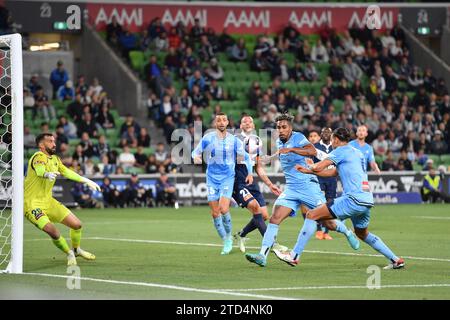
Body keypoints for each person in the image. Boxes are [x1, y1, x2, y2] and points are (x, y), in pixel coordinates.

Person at [285, 128, 405, 269]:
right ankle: (395, 260)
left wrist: (309, 166)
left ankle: (294, 255)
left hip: (352, 199)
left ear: (336, 139)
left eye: (332, 139)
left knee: (311, 215)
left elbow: (319, 167)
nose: (331, 142)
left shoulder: (339, 151)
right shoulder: (357, 152)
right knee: (362, 233)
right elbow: (334, 172)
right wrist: (308, 171)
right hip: (366, 199)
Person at [245, 113, 351, 267]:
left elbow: (312, 151)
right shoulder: (278, 142)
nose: (280, 130)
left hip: (308, 186)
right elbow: (281, 155)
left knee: (328, 223)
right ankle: (262, 256)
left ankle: (347, 232)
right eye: (278, 127)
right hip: (291, 189)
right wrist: (267, 159)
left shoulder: (298, 137)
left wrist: (292, 150)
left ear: (290, 128)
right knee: (275, 218)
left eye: (284, 127)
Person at [24, 133, 100, 266]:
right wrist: (46, 174)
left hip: (49, 201)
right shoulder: (38, 156)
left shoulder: (55, 159)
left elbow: (66, 172)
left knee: (77, 225)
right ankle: (69, 253)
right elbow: (40, 170)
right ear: (41, 145)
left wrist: (86, 180)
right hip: (32, 204)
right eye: (50, 141)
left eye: (54, 141)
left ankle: (76, 249)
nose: (54, 144)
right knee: (52, 230)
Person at [192, 113, 253, 255]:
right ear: (215, 123)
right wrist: (196, 157)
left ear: (227, 123)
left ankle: (229, 236)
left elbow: (247, 158)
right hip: (212, 178)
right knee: (215, 213)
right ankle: (226, 239)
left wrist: (250, 173)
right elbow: (196, 152)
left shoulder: (234, 140)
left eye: (224, 120)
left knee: (223, 209)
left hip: (227, 178)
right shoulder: (208, 138)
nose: (221, 122)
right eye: (218, 120)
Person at [232, 116, 287, 253]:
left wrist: (270, 184)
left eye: (250, 121)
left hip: (251, 181)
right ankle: (272, 244)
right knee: (255, 208)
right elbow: (238, 159)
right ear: (240, 125)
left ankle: (240, 235)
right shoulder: (236, 139)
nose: (248, 123)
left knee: (263, 215)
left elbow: (258, 167)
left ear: (254, 125)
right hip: (238, 182)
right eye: (244, 121)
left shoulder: (256, 141)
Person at [312, 127, 337, 240]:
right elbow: (310, 162)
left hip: (332, 178)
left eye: (328, 132)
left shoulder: (336, 147)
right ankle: (318, 229)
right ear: (321, 134)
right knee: (320, 204)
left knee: (330, 203)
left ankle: (326, 232)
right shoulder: (315, 146)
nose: (326, 134)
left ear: (331, 134)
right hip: (319, 177)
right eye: (324, 132)